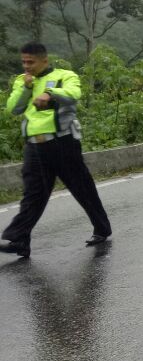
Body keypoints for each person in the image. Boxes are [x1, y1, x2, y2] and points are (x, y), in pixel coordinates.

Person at [0, 43, 111, 258]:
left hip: (63, 142)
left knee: (81, 187)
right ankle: (19, 239)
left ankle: (102, 228)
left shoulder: (64, 76)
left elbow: (73, 93)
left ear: (44, 60)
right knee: (33, 193)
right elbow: (14, 108)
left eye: (30, 62)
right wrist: (26, 88)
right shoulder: (22, 81)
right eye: (23, 62)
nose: (26, 66)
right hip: (34, 146)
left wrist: (50, 94)